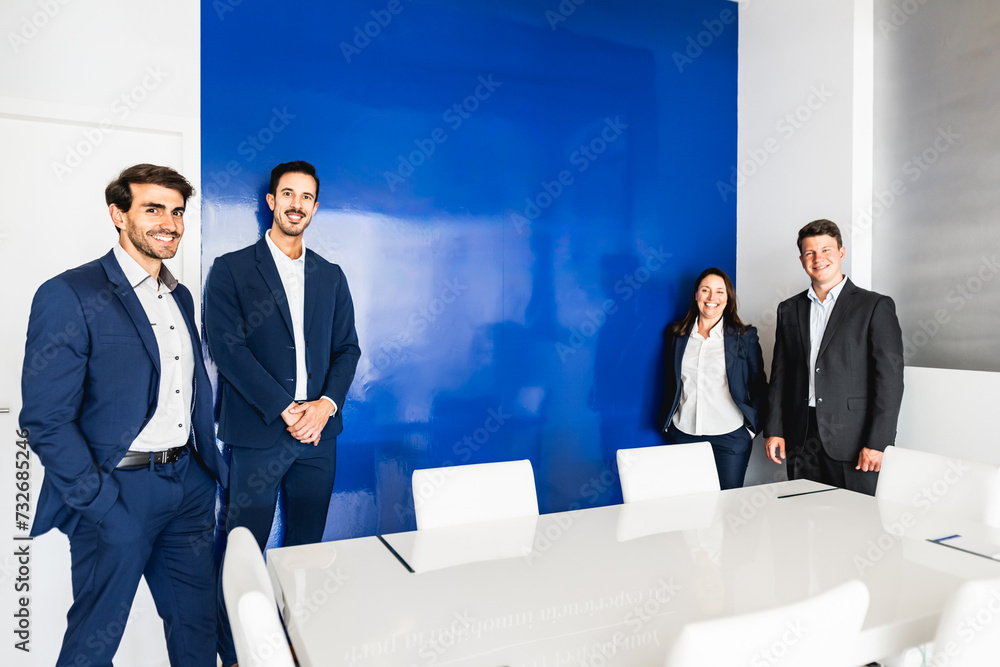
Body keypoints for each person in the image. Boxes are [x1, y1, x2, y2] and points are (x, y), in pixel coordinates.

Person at [20, 164, 227, 666]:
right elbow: (46, 418)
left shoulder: (178, 294)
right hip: (116, 489)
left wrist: (207, 475)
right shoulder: (71, 293)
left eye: (177, 211)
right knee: (95, 639)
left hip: (188, 486)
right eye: (153, 208)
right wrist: (99, 500)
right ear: (118, 214)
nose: (170, 222)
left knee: (196, 625)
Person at [205, 160, 360, 666]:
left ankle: (297, 645)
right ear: (271, 201)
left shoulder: (330, 277)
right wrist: (284, 408)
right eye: (287, 194)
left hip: (319, 436)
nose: (297, 204)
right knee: (242, 549)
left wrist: (324, 406)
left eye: (307, 197)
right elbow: (225, 348)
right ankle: (233, 653)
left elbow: (347, 350)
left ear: (315, 206)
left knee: (306, 549)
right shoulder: (231, 268)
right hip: (257, 433)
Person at [764, 219, 904, 495]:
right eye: (810, 253)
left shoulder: (874, 306)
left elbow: (889, 380)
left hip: (854, 440)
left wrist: (878, 443)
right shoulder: (788, 309)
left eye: (826, 250)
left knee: (856, 526)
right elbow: (780, 375)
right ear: (802, 259)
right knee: (803, 519)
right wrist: (774, 429)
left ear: (841, 252)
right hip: (800, 436)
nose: (818, 259)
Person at [659, 267, 768, 489]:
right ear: (696, 295)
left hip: (730, 437)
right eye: (705, 290)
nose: (712, 298)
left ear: (728, 298)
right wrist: (669, 425)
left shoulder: (744, 337)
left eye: (720, 292)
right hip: (684, 434)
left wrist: (750, 430)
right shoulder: (677, 334)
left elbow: (759, 387)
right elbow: (671, 382)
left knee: (726, 508)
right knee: (689, 506)